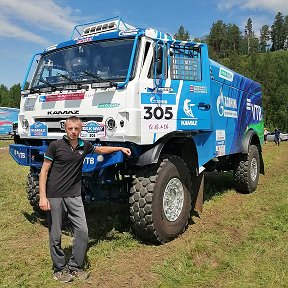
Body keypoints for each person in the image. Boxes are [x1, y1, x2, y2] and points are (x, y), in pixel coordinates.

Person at [39, 116, 131, 283]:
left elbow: (100, 150)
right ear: (65, 129)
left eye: (76, 129)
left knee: (82, 231)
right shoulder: (55, 146)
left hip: (74, 194)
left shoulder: (84, 145)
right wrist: (43, 197)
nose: (73, 132)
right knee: (55, 234)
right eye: (70, 129)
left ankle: (75, 267)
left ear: (80, 129)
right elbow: (44, 171)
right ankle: (59, 268)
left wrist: (119, 148)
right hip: (55, 195)